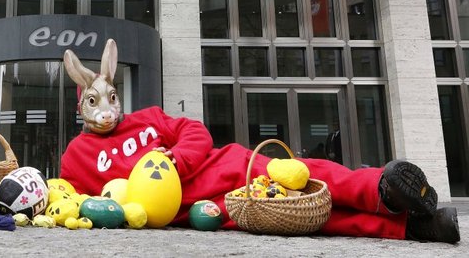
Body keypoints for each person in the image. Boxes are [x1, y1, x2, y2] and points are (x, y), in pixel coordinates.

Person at [59, 39, 460, 243]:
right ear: (82, 106)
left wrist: (175, 161)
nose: (106, 110)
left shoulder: (149, 118)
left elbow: (194, 132)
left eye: (111, 99)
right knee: (309, 217)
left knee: (310, 176)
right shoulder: (75, 157)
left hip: (228, 167)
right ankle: (417, 228)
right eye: (95, 103)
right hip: (208, 207)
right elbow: (77, 202)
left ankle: (383, 190)